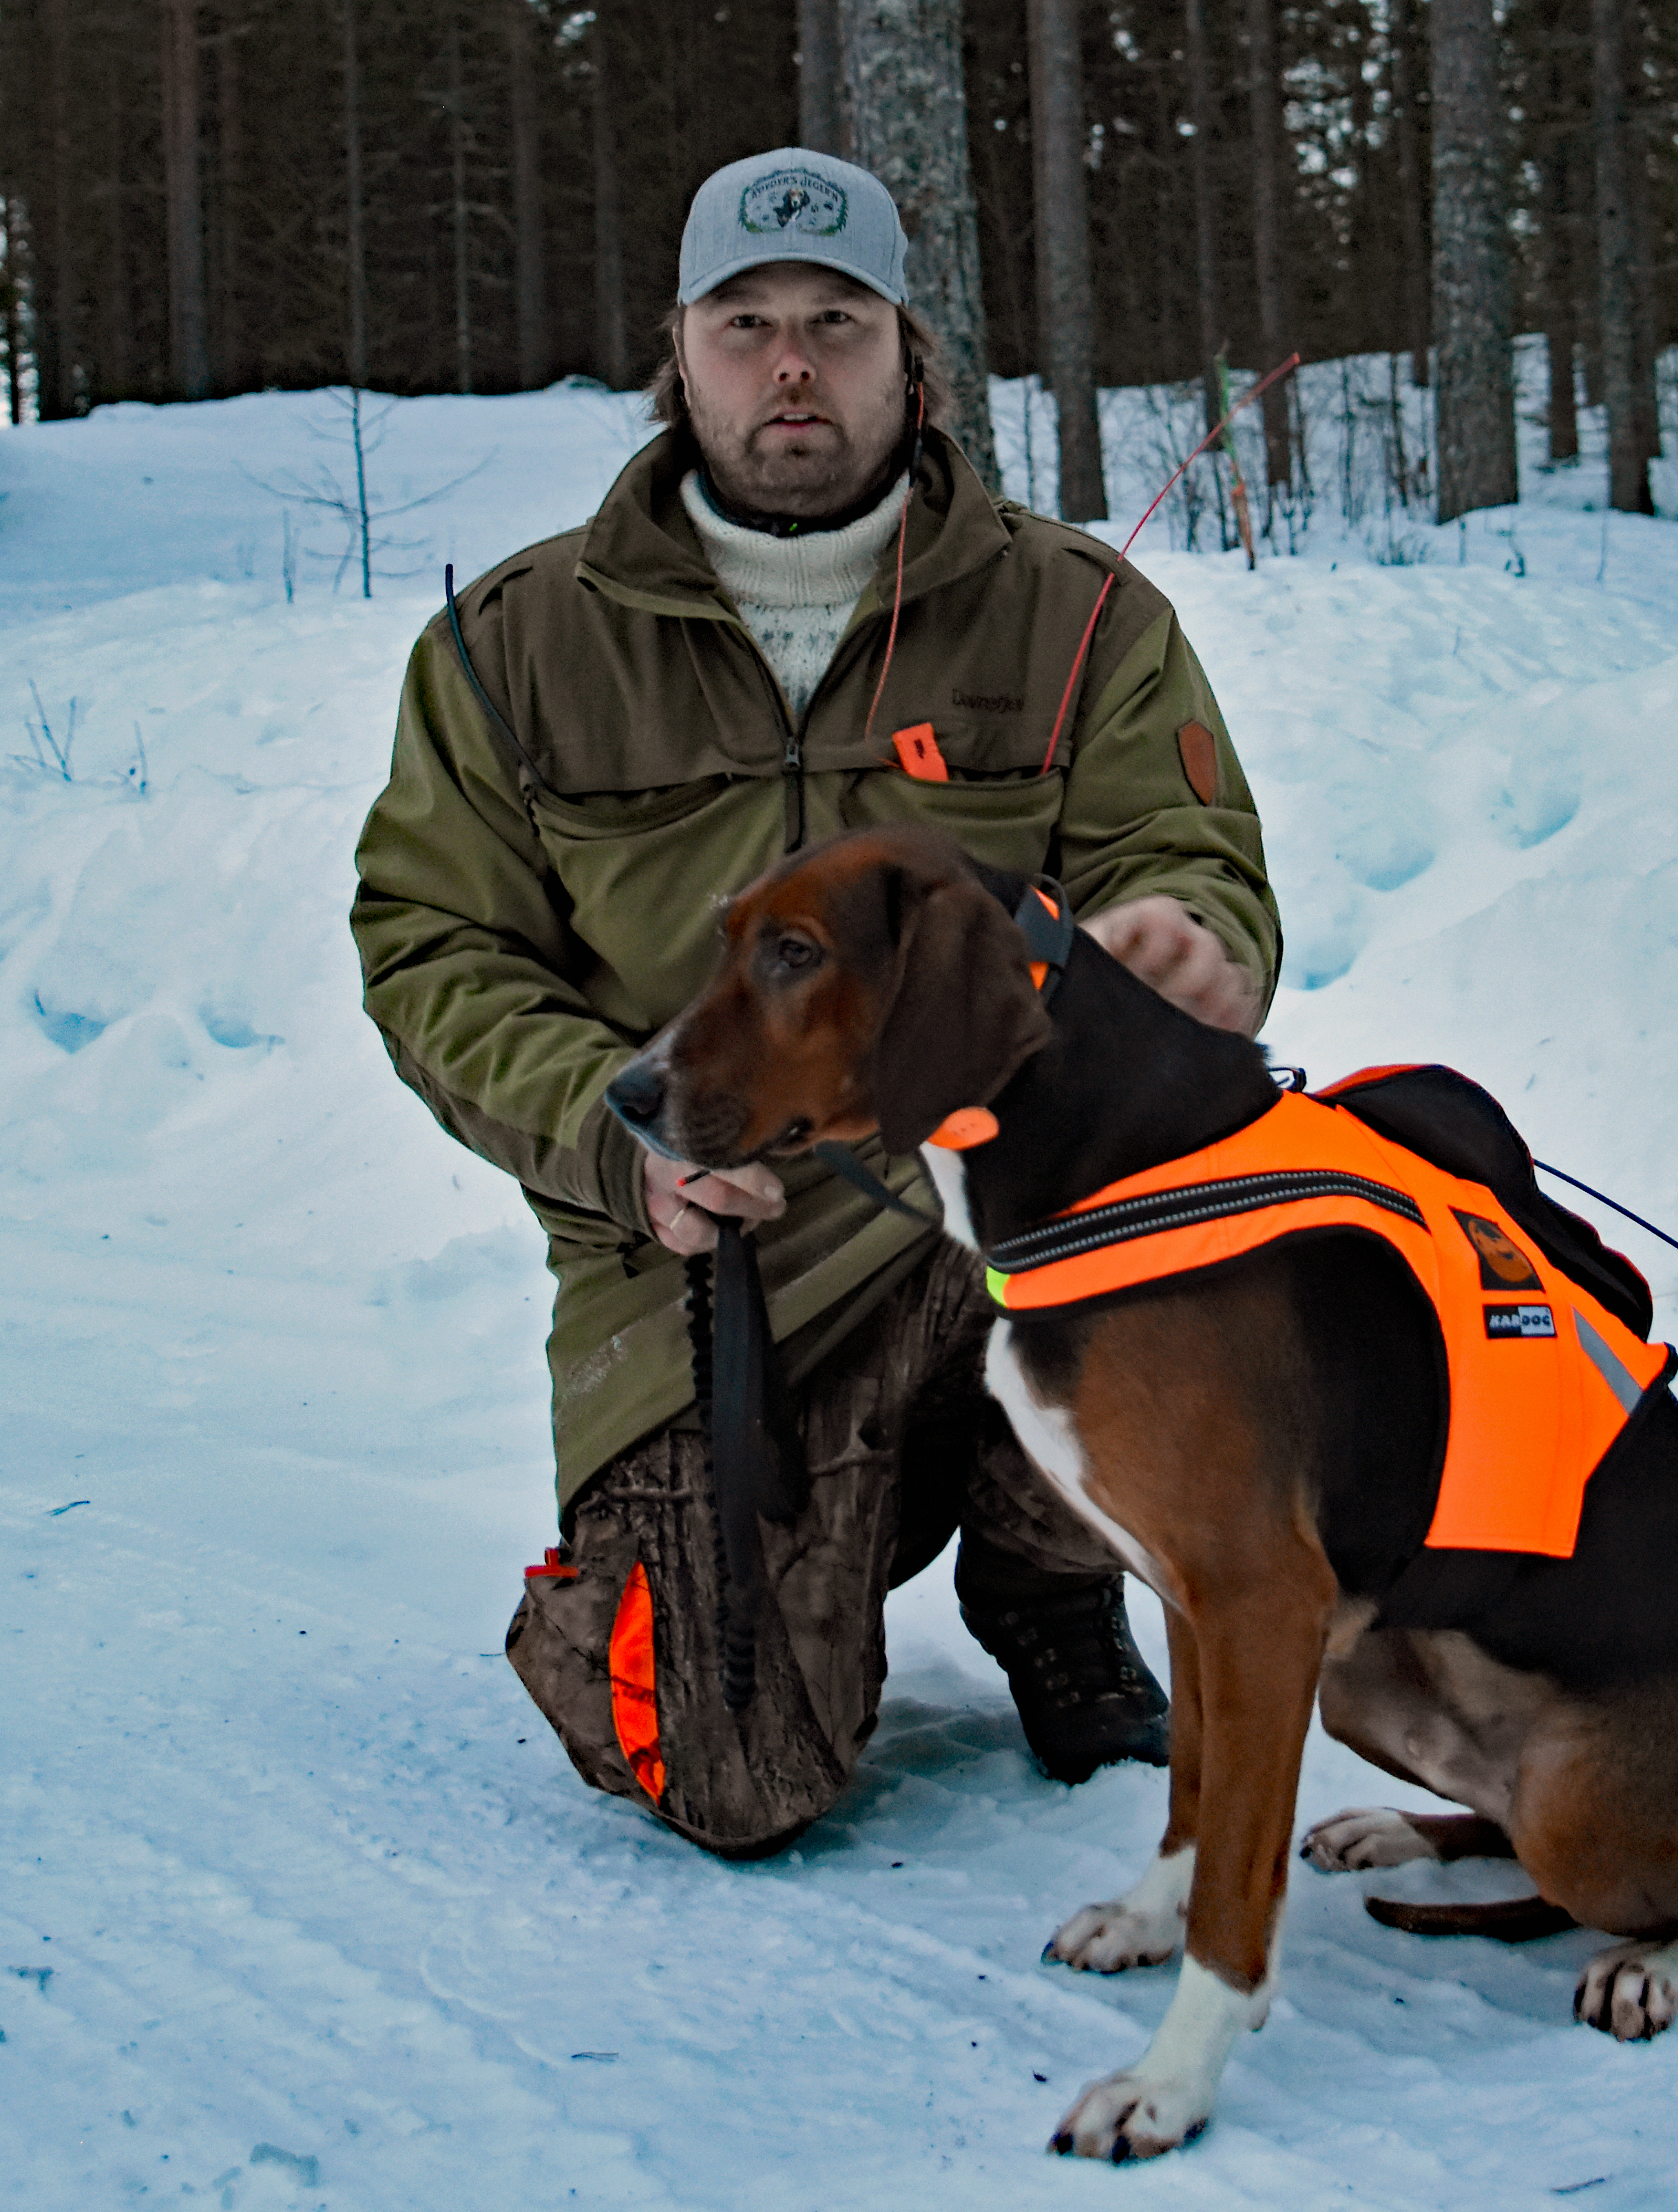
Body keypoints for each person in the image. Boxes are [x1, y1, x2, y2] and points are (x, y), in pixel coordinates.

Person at [350, 149, 1279, 1858]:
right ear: (678, 352)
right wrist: (612, 1136)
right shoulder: (518, 644)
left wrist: (1189, 935)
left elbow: (1186, 853)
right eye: (748, 324)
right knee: (730, 1778)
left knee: (1201, 1196)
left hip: (999, 1208)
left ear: (909, 358)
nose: (794, 366)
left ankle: (1055, 1578)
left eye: (837, 325)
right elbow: (431, 943)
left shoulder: (1077, 616)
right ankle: (673, 1573)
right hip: (710, 1251)